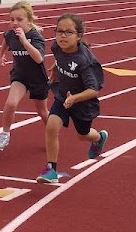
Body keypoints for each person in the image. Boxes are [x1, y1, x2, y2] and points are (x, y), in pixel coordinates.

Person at [39, 13, 108, 184]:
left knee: (83, 134)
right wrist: (55, 69)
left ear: (79, 35)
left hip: (83, 103)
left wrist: (75, 98)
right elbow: (60, 59)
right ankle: (51, 170)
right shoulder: (56, 47)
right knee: (51, 126)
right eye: (59, 31)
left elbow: (93, 89)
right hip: (63, 96)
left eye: (68, 32)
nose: (63, 36)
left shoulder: (84, 61)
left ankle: (99, 138)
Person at [0, 1, 50, 150]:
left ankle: (52, 135)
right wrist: (1, 56)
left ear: (30, 20)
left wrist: (24, 41)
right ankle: (5, 134)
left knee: (42, 112)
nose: (14, 23)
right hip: (20, 75)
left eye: (19, 19)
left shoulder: (35, 37)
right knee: (11, 103)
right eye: (12, 19)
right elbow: (5, 41)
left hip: (37, 78)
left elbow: (38, 58)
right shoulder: (11, 33)